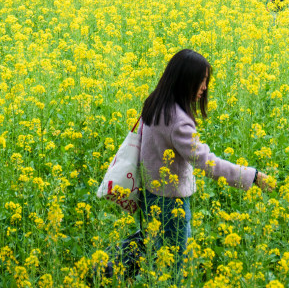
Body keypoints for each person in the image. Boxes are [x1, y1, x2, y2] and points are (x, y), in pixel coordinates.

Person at [110, 49, 271, 278]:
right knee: (173, 266)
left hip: (149, 195)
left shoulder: (155, 103)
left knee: (152, 249)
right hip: (170, 202)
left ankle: (106, 268)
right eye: (201, 81)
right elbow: (207, 162)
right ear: (186, 81)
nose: (204, 87)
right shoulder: (178, 121)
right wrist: (251, 176)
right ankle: (105, 268)